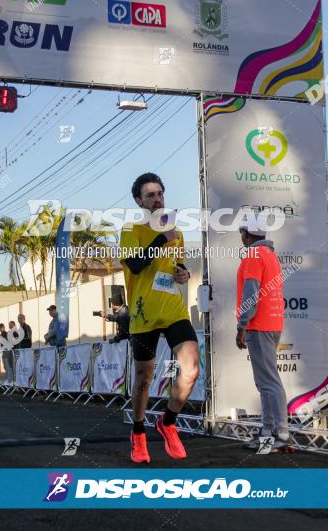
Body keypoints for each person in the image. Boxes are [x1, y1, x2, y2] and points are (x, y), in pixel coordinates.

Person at [120, 172, 198, 464]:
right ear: (139, 200)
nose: (157, 199)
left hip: (173, 309)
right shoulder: (131, 229)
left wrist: (184, 273)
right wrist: (159, 239)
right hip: (143, 313)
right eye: (150, 195)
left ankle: (167, 421)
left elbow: (179, 266)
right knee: (144, 378)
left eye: (160, 194)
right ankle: (138, 433)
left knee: (190, 370)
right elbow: (137, 265)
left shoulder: (176, 231)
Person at [234, 218, 288, 450]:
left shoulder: (254, 255)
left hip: (260, 325)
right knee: (265, 382)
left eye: (242, 233)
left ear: (247, 235)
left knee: (269, 382)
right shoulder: (269, 254)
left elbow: (251, 293)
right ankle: (267, 431)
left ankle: (280, 433)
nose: (241, 237)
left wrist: (241, 326)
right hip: (271, 323)